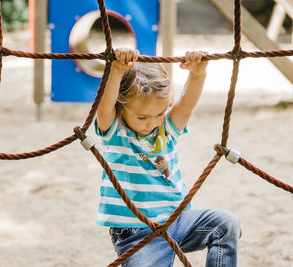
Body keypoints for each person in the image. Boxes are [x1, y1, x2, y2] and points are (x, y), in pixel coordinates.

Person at [94, 48, 241, 267]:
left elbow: (187, 105)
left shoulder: (167, 130)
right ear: (121, 106)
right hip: (137, 232)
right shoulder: (116, 133)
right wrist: (116, 70)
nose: (152, 122)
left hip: (177, 220)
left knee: (226, 224)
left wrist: (197, 74)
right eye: (142, 116)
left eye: (160, 113)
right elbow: (104, 108)